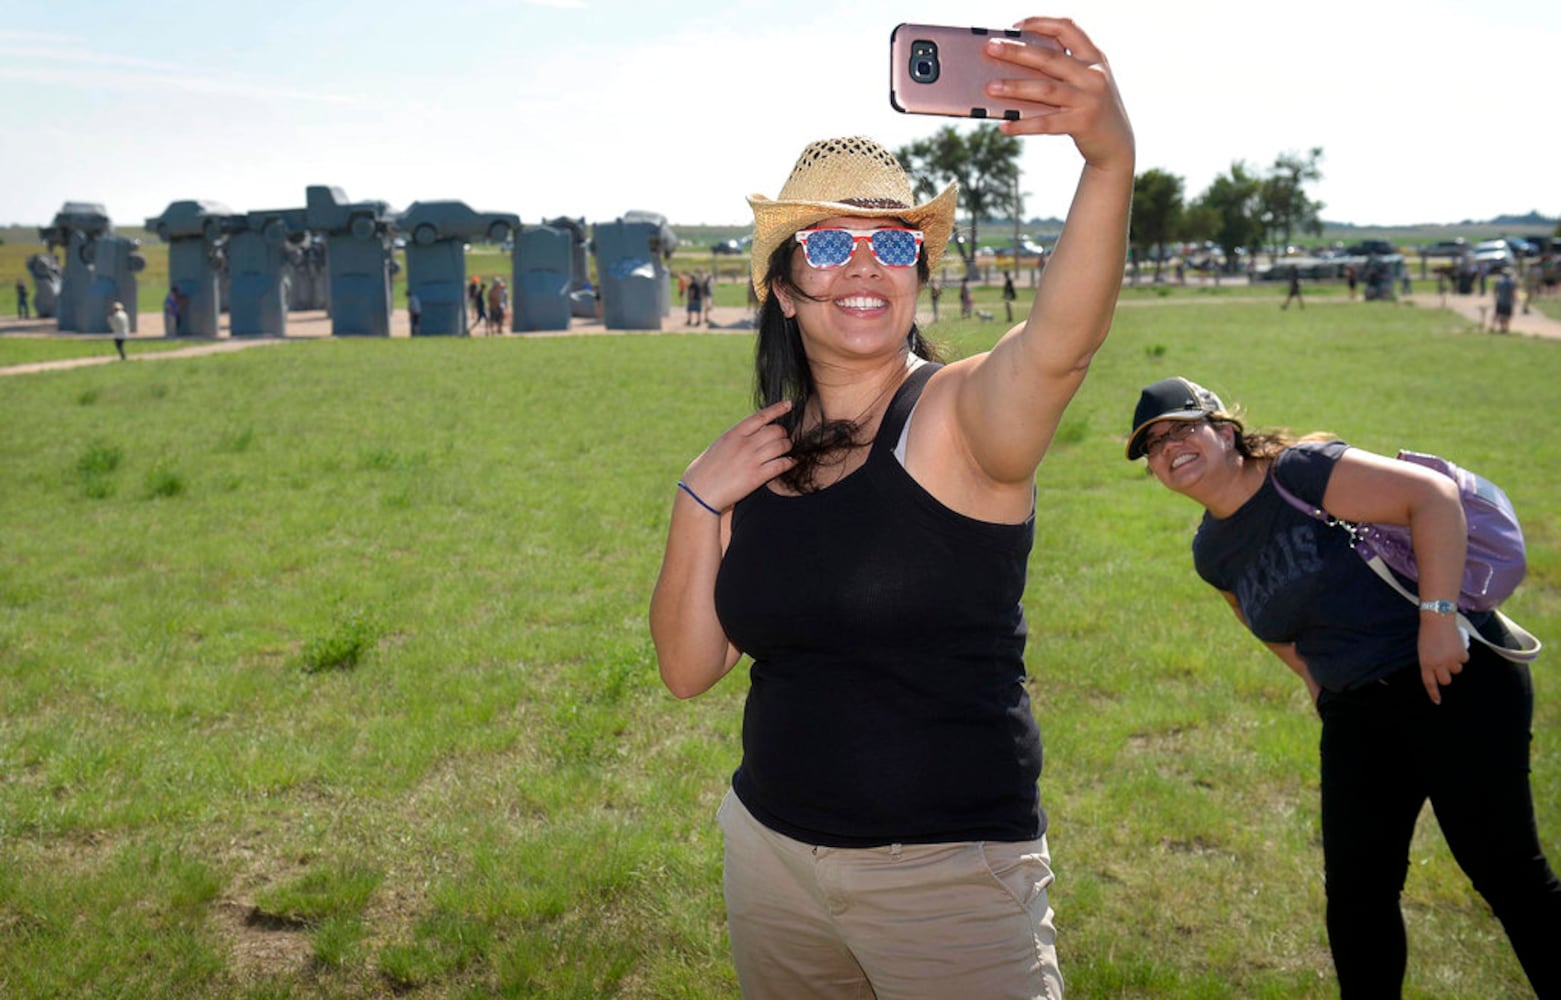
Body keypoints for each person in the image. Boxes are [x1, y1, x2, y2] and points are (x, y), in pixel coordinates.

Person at [650, 18, 1133, 997]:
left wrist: (1108, 162)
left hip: (948, 884)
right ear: (783, 291)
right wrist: (695, 503)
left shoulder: (958, 415)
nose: (862, 263)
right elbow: (690, 669)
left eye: (890, 241)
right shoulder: (755, 451)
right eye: (827, 243)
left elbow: (1057, 347)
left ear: (917, 271)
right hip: (770, 860)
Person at [1125, 376, 1561, 998]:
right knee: (1358, 895)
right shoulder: (1212, 550)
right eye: (1154, 446)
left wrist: (1436, 618)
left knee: (1506, 873)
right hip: (1358, 712)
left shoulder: (1296, 472)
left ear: (1224, 432)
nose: (1170, 448)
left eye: (1182, 429)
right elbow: (1268, 626)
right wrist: (1315, 681)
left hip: (1453, 677)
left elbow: (1434, 498)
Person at [1493, 267, 1517, 333]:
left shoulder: (1499, 281)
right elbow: (1513, 292)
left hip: (1500, 300)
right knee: (1507, 315)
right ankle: (1507, 328)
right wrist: (1516, 299)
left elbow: (1495, 290)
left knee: (1500, 314)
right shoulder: (1511, 282)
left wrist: (1495, 298)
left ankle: (1500, 327)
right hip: (1508, 301)